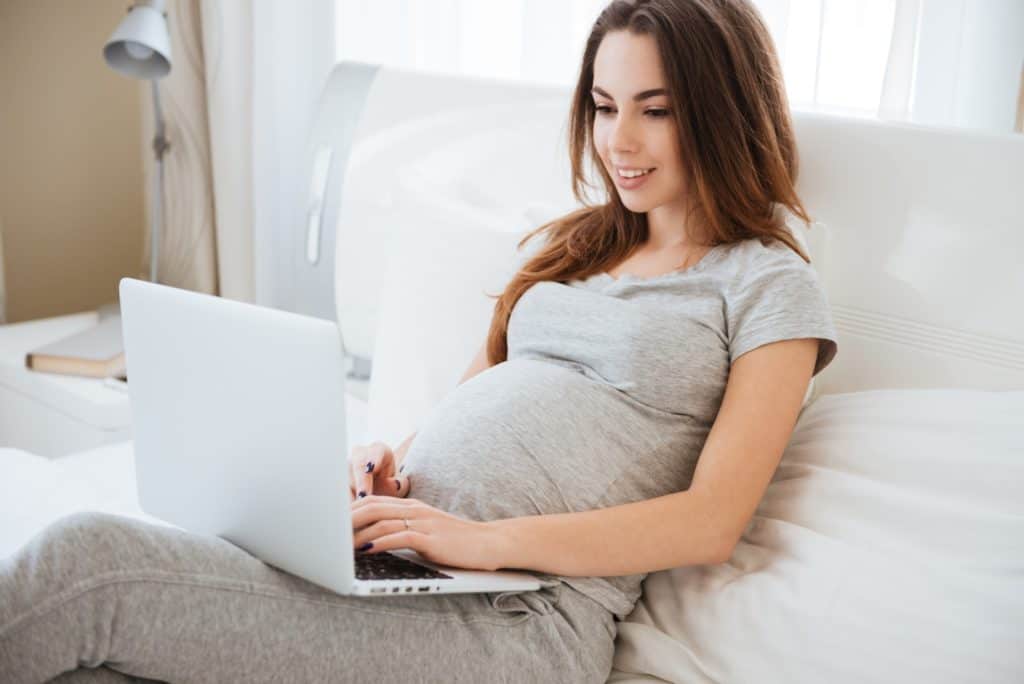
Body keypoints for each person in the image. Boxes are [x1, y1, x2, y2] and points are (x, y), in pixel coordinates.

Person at [0, 0, 838, 681]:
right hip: (402, 563)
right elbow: (473, 402)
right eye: (605, 106)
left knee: (91, 565)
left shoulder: (766, 284)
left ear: (725, 114)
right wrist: (390, 460)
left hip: (515, 615)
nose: (619, 140)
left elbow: (711, 520)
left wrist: (481, 542)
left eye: (655, 111)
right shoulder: (576, 246)